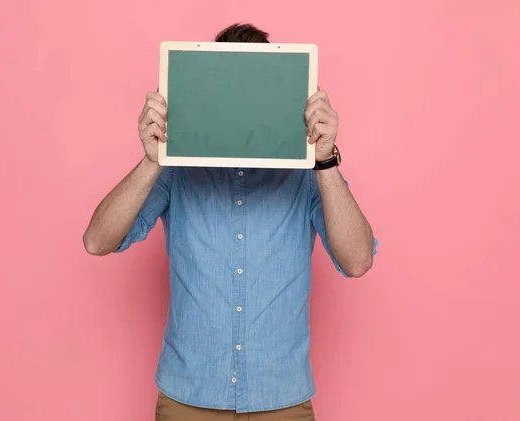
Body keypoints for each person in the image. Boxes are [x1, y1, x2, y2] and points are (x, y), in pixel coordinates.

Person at [83, 23, 378, 421]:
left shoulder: (305, 172)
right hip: (188, 397)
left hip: (282, 400)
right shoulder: (176, 168)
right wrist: (153, 158)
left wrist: (324, 159)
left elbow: (358, 260)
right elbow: (97, 240)